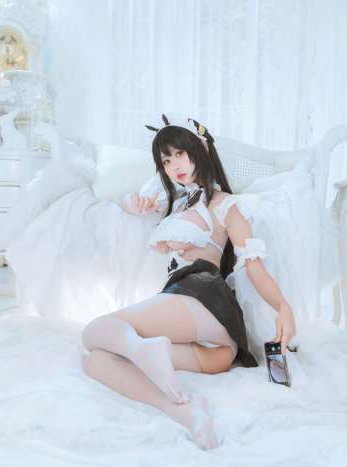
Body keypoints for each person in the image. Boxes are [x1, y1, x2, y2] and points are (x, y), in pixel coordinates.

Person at [80, 115, 297, 450]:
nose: (174, 166)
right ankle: (186, 412)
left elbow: (253, 266)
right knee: (97, 360)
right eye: (166, 161)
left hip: (203, 294)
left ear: (200, 151)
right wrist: (133, 203)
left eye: (179, 154)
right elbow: (122, 203)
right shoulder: (176, 205)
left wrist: (283, 307)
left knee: (94, 331)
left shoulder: (225, 205)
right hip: (214, 353)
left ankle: (145, 348)